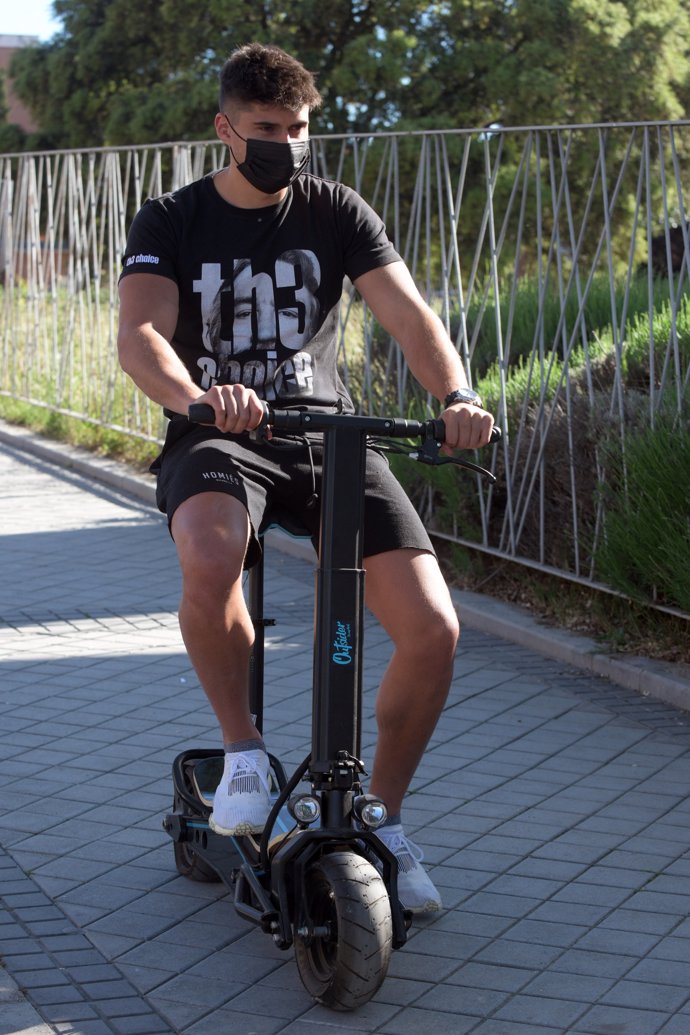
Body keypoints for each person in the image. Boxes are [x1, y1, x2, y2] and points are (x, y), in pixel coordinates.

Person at [117, 43, 494, 914]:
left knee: (434, 629)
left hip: (330, 437)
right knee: (211, 558)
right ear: (226, 128)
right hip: (221, 435)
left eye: (299, 129)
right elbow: (142, 338)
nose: (286, 143)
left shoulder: (336, 211)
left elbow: (407, 313)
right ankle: (244, 754)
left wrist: (458, 394)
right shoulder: (170, 219)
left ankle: (380, 822)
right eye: (266, 129)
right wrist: (200, 401)